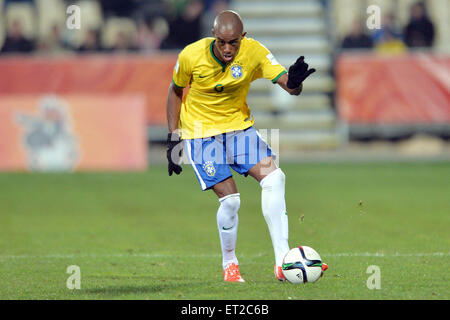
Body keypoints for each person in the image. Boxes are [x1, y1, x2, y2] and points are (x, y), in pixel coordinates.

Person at [165, 10, 328, 282]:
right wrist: (173, 138)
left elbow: (289, 85)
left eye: (234, 43)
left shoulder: (255, 52)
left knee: (275, 177)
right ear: (213, 37)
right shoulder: (191, 55)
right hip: (200, 133)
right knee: (231, 202)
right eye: (222, 42)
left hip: (238, 129)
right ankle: (230, 262)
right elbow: (175, 90)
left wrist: (296, 83)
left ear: (243, 37)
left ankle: (282, 262)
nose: (228, 49)